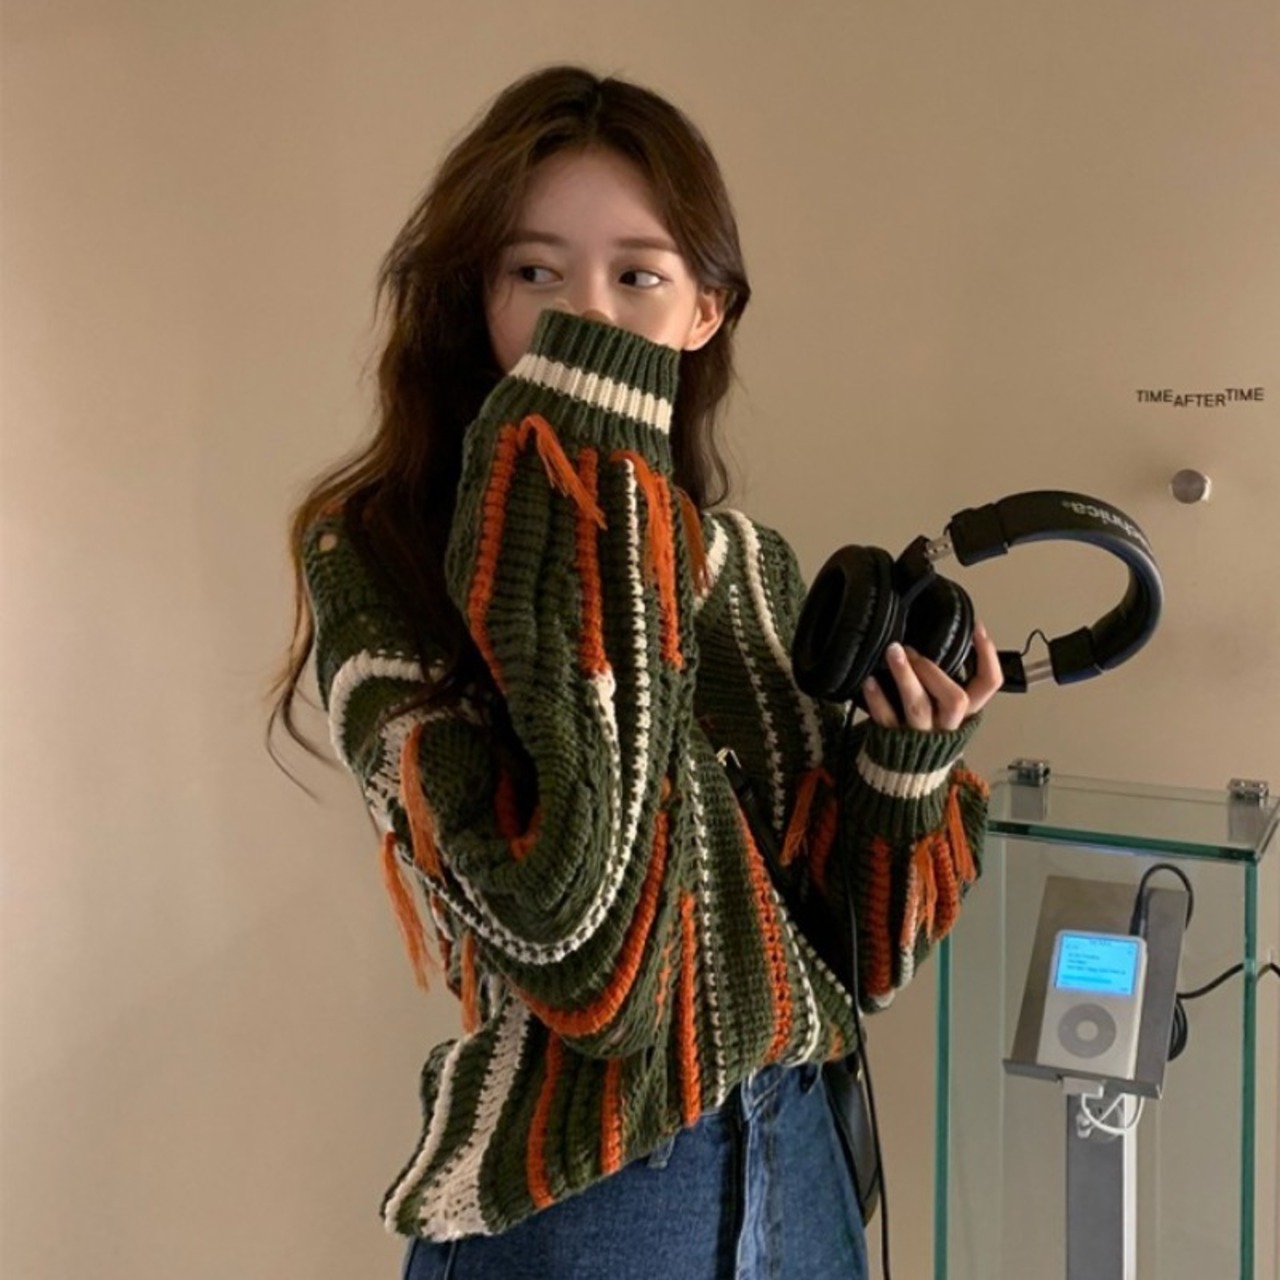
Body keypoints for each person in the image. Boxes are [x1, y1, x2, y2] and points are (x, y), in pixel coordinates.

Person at [269, 63, 1002, 1280]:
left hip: (799, 1156)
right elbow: (586, 950)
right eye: (534, 272)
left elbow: (856, 961)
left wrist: (899, 771)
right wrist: (582, 491)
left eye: (637, 275)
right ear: (479, 295)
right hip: (593, 1201)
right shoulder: (378, 553)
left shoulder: (749, 568)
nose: (587, 316)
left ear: (705, 309)